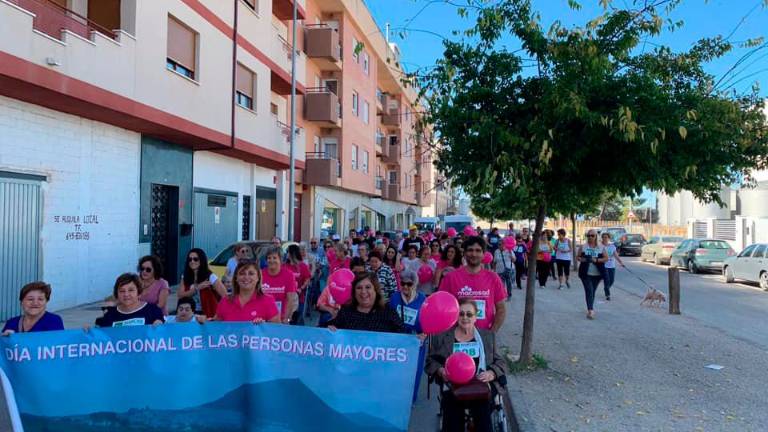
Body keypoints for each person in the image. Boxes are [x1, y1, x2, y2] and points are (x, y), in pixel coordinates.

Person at [425, 298, 508, 432]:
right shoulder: (443, 337)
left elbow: (501, 362)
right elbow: (430, 362)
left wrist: (491, 373)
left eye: (469, 314)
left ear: (476, 317)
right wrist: (441, 371)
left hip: (480, 385)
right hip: (453, 385)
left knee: (483, 411)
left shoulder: (487, 337)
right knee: (452, 411)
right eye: (461, 314)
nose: (465, 318)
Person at [439, 236, 507, 332]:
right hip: (457, 335)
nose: (474, 254)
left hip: (484, 334)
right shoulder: (450, 278)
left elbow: (501, 309)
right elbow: (442, 307)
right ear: (465, 253)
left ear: (484, 254)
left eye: (478, 250)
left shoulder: (493, 278)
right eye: (470, 250)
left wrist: (492, 333)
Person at [388, 269, 427, 402]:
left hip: (416, 341)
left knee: (414, 372)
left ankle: (410, 400)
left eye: (409, 284)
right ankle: (395, 398)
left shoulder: (422, 299)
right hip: (398, 340)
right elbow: (388, 317)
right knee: (396, 370)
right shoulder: (395, 297)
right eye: (403, 283)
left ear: (414, 284)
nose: (405, 286)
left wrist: (425, 334)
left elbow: (429, 321)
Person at [329, 272, 406, 333]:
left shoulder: (389, 313)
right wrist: (328, 330)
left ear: (375, 290)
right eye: (359, 288)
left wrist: (416, 339)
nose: (363, 291)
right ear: (354, 292)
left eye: (368, 287)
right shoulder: (345, 312)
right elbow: (324, 333)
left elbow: (404, 338)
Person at [214, 260, 280, 323]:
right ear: (236, 278)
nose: (246, 277)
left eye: (251, 274)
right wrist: (205, 322)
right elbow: (215, 328)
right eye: (242, 273)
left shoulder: (268, 301)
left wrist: (263, 327)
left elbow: (277, 331)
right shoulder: (225, 301)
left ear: (258, 278)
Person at [96, 273, 165, 327]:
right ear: (117, 294)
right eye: (122, 291)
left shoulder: (153, 310)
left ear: (139, 292)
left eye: (131, 290)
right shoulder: (110, 315)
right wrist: (87, 331)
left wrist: (160, 325)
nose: (126, 294)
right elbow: (101, 337)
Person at [177, 248, 227, 318]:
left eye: (195, 259)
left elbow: (225, 295)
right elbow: (180, 295)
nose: (192, 261)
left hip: (208, 314)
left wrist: (220, 311)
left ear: (202, 260)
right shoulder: (185, 276)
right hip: (190, 314)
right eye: (190, 259)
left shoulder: (210, 276)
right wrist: (197, 288)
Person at [261, 246, 299, 324]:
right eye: (269, 258)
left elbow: (290, 299)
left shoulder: (289, 275)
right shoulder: (260, 274)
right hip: (263, 319)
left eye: (274, 258)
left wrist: (287, 319)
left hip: (281, 318)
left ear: (281, 260)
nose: (271, 260)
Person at [577, 230, 609, 319]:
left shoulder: (601, 247)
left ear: (596, 236)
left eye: (592, 235)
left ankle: (590, 307)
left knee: (592, 291)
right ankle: (590, 310)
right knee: (589, 290)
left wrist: (597, 260)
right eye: (588, 235)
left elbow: (606, 258)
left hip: (597, 274)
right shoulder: (583, 247)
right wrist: (582, 259)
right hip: (585, 273)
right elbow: (578, 257)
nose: (590, 237)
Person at [285, 244, 312, 324]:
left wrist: (302, 288)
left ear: (292, 254)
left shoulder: (303, 266)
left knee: (297, 317)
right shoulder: (284, 266)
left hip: (299, 295)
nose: (287, 254)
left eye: (288, 252)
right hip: (287, 296)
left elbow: (307, 279)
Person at [601, 232, 625, 300]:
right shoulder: (600, 246)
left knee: (611, 281)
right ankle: (607, 295)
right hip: (604, 266)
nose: (605, 238)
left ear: (609, 238)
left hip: (611, 266)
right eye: (604, 237)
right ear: (602, 238)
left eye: (606, 237)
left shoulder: (612, 246)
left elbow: (616, 256)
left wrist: (621, 262)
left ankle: (606, 288)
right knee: (607, 280)